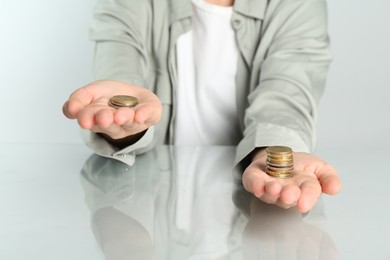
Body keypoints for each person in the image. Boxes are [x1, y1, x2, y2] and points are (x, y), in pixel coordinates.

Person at [63, 0, 342, 213]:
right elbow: (120, 66)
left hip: (247, 212)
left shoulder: (299, 5)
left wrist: (273, 151)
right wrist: (125, 125)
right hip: (148, 202)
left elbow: (289, 89)